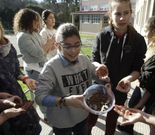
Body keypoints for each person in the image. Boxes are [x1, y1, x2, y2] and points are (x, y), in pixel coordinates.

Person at [35, 23, 109, 135]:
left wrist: (102, 74)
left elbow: (97, 75)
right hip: (61, 120)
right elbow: (39, 97)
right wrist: (64, 101)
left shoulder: (84, 60)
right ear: (57, 45)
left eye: (77, 45)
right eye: (67, 46)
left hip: (83, 115)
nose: (74, 51)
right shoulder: (51, 68)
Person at [91, 0, 147, 134]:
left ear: (131, 13)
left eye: (126, 13)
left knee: (111, 123)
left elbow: (137, 69)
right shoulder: (102, 36)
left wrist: (129, 78)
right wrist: (98, 66)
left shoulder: (138, 40)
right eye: (117, 14)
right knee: (90, 121)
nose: (122, 18)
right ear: (110, 15)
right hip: (99, 87)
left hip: (120, 91)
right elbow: (93, 60)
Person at [0, 21, 41, 135]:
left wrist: (26, 79)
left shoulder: (8, 47)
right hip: (4, 113)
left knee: (35, 128)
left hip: (19, 98)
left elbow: (16, 71)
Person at [124, 16, 155, 135]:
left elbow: (152, 84)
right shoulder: (151, 46)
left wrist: (141, 104)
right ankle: (126, 127)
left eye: (146, 30)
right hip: (142, 86)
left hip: (149, 92)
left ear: (153, 31)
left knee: (152, 124)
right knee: (132, 107)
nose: (145, 33)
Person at [13, 8, 49, 81]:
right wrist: (49, 43)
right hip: (34, 70)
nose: (37, 23)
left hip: (42, 66)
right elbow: (38, 54)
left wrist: (51, 45)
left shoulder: (34, 33)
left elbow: (44, 51)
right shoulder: (23, 36)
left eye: (37, 20)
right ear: (27, 21)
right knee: (44, 91)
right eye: (35, 20)